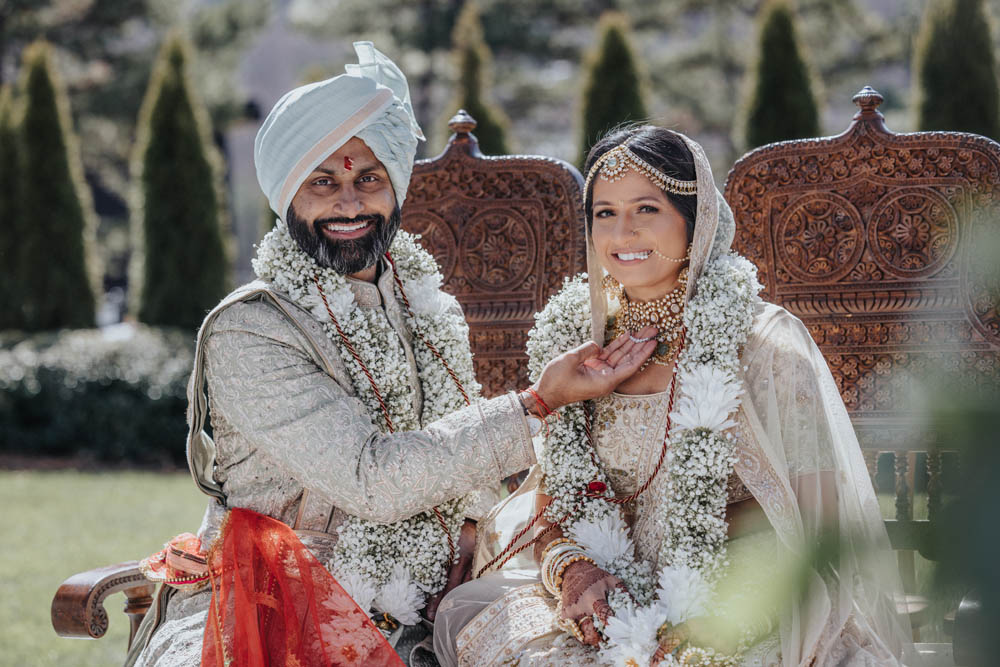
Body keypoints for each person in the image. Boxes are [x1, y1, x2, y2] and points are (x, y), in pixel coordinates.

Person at [125, 43, 655, 667]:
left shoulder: (426, 303)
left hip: (438, 596)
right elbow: (370, 480)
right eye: (323, 182)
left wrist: (468, 523)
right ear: (288, 194)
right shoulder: (250, 330)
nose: (349, 204)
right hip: (268, 598)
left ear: (395, 188)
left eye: (368, 179)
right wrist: (538, 403)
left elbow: (462, 450)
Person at [432, 126, 916, 666]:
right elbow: (552, 513)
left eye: (646, 209)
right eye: (605, 213)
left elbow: (817, 526)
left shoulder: (763, 344)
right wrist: (573, 572)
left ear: (695, 218)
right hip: (604, 596)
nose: (624, 233)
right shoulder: (577, 350)